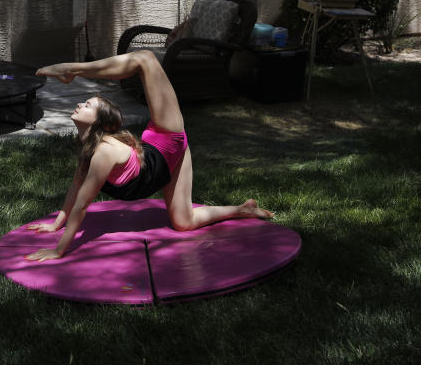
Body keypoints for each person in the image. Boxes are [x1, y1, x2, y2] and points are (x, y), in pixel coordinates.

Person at [24, 50, 273, 262]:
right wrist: (56, 224)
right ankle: (243, 210)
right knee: (184, 223)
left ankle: (72, 69)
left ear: (99, 121)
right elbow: (76, 187)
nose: (80, 105)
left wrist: (59, 250)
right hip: (166, 158)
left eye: (88, 105)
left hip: (169, 133)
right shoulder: (90, 149)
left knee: (145, 59)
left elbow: (82, 205)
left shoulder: (104, 152)